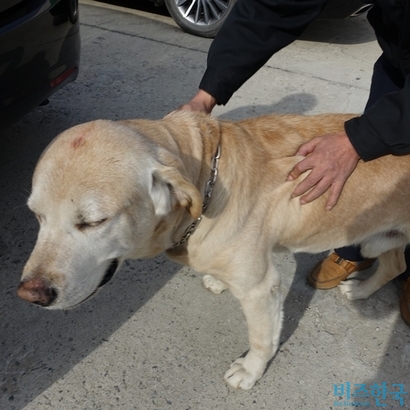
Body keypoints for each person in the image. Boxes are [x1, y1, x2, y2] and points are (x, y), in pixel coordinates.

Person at [178, 0, 410, 327]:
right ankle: (354, 249)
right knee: (366, 191)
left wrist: (357, 140)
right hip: (398, 50)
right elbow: (275, 7)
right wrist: (206, 95)